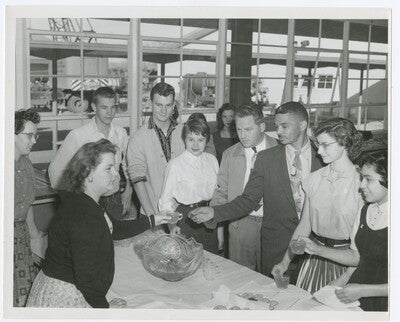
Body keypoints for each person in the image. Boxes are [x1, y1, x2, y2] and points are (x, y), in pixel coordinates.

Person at [26, 139, 172, 308]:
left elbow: (114, 228)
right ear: (88, 173)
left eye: (115, 168)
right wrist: (105, 310)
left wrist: (155, 219)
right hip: (64, 295)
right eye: (109, 168)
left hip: (67, 287)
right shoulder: (84, 215)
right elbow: (88, 280)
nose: (116, 175)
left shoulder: (85, 201)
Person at [190, 101, 324, 281]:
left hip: (315, 244)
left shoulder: (323, 156)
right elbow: (247, 199)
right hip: (270, 242)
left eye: (284, 126)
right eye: (277, 126)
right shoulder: (266, 159)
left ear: (302, 125)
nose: (279, 131)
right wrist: (215, 211)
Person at [272, 118, 364, 294]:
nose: (319, 151)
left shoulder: (361, 184)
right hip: (314, 261)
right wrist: (285, 262)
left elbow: (363, 248)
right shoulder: (314, 179)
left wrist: (344, 278)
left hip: (348, 266)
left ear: (344, 142)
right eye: (317, 144)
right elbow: (304, 226)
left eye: (325, 145)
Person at [300, 154, 388, 311]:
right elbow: (357, 258)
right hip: (359, 296)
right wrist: (317, 250)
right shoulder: (365, 210)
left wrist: (363, 290)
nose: (361, 185)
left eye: (368, 179)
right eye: (362, 178)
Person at [210, 104, 277, 270]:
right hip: (240, 225)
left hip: (273, 224)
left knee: (271, 280)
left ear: (262, 126)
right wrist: (218, 228)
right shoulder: (229, 154)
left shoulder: (280, 150)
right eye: (239, 130)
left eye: (248, 129)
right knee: (241, 279)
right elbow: (221, 192)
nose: (243, 135)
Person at [48, 87, 132, 220]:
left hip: (114, 198)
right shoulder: (78, 135)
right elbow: (55, 172)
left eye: (113, 107)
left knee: (114, 238)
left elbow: (128, 164)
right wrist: (74, 200)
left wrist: (129, 189)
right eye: (104, 107)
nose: (109, 113)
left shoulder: (120, 133)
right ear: (94, 107)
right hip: (88, 199)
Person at [158, 118, 220, 253]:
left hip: (209, 216)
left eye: (200, 140)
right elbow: (166, 200)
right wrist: (172, 225)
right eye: (191, 139)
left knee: (212, 258)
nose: (196, 145)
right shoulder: (175, 165)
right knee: (187, 260)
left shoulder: (212, 160)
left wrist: (219, 229)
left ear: (207, 140)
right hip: (186, 219)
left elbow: (218, 193)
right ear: (184, 139)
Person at [127, 82, 185, 220]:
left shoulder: (184, 132)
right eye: (159, 105)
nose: (163, 111)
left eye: (168, 105)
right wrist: (152, 217)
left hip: (182, 212)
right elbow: (138, 180)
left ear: (174, 106)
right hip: (152, 213)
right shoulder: (138, 138)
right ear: (150, 103)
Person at [14, 109, 45, 307]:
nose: (34, 140)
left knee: (25, 288)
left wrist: (35, 239)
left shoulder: (26, 164)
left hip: (22, 234)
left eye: (36, 135)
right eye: (29, 135)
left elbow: (28, 205)